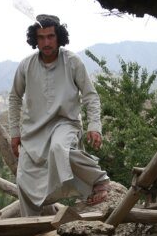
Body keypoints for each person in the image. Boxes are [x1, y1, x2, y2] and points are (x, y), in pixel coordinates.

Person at [8, 14, 111, 217]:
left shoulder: (72, 62)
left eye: (50, 36)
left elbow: (90, 96)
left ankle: (100, 181)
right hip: (33, 131)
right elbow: (14, 98)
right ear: (35, 39)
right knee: (23, 180)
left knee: (58, 149)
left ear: (59, 37)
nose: (46, 42)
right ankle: (32, 229)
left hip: (65, 124)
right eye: (41, 37)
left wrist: (94, 127)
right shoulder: (26, 65)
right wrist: (14, 132)